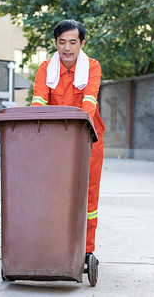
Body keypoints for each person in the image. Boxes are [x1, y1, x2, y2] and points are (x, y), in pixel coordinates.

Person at [31, 19, 105, 259]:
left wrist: (78, 126)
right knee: (51, 192)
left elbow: (90, 100)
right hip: (53, 141)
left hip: (87, 138)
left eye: (73, 42)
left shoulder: (92, 67)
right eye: (62, 42)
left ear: (82, 43)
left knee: (87, 193)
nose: (67, 48)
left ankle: (86, 249)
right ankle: (52, 244)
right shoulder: (45, 68)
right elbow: (39, 99)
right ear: (55, 43)